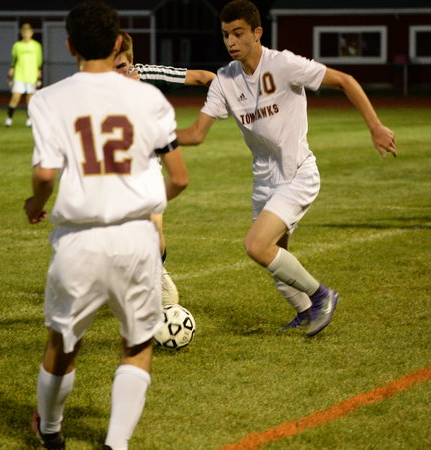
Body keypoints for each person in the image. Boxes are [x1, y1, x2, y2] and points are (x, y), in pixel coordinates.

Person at [176, 0, 397, 337]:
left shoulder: (283, 64)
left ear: (257, 32)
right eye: (225, 35)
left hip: (297, 174)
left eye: (238, 33)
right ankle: (305, 312)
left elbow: (346, 81)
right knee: (274, 255)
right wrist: (150, 137)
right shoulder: (225, 79)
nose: (231, 41)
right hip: (263, 182)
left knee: (257, 245)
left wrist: (376, 127)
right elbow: (195, 134)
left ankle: (321, 296)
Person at [23, 1, 188, 448]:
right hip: (136, 237)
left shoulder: (49, 99)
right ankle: (116, 443)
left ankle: (51, 429)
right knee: (136, 345)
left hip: (79, 239)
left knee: (63, 344)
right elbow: (179, 177)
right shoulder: (148, 98)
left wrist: (34, 204)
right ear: (118, 43)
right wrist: (146, 203)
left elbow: (44, 174)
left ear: (69, 46)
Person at [113, 30, 215, 305]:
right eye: (110, 68)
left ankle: (156, 273)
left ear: (131, 62)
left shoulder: (148, 76)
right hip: (108, 171)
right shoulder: (93, 87)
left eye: (121, 66)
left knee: (152, 228)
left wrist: (237, 98)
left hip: (146, 166)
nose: (116, 74)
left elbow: (205, 77)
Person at [5, 22, 43, 127]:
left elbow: (39, 62)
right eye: (24, 33)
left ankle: (29, 119)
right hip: (19, 75)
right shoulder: (17, 46)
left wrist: (39, 77)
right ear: (22, 34)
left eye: (28, 32)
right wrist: (10, 76)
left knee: (30, 99)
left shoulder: (36, 46)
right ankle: (9, 119)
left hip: (32, 76)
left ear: (31, 33)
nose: (26, 34)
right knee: (15, 98)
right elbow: (13, 61)